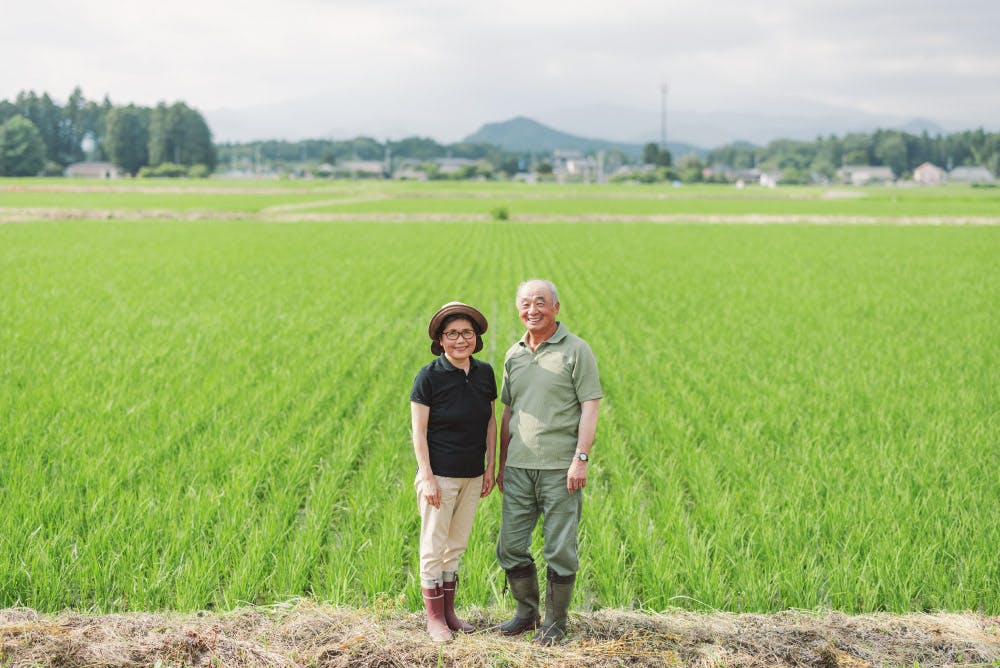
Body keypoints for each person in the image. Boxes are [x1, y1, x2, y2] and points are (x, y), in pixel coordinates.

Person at [495, 279, 602, 645]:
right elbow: (509, 410)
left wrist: (580, 458)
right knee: (509, 544)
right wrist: (502, 462)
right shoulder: (514, 353)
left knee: (559, 548)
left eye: (540, 302)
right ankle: (526, 613)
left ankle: (555, 622)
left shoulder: (576, 350)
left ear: (556, 307)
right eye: (525, 303)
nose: (532, 310)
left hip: (560, 469)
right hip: (519, 469)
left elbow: (590, 405)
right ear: (519, 309)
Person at [410, 302, 497, 642]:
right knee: (433, 546)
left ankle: (449, 614)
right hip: (440, 476)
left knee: (456, 546)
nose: (460, 340)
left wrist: (491, 466)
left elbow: (490, 420)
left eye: (467, 333)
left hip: (473, 474)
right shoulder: (428, 377)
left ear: (476, 337)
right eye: (452, 334)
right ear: (441, 341)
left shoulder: (484, 373)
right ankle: (434, 620)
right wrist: (427, 476)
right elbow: (418, 431)